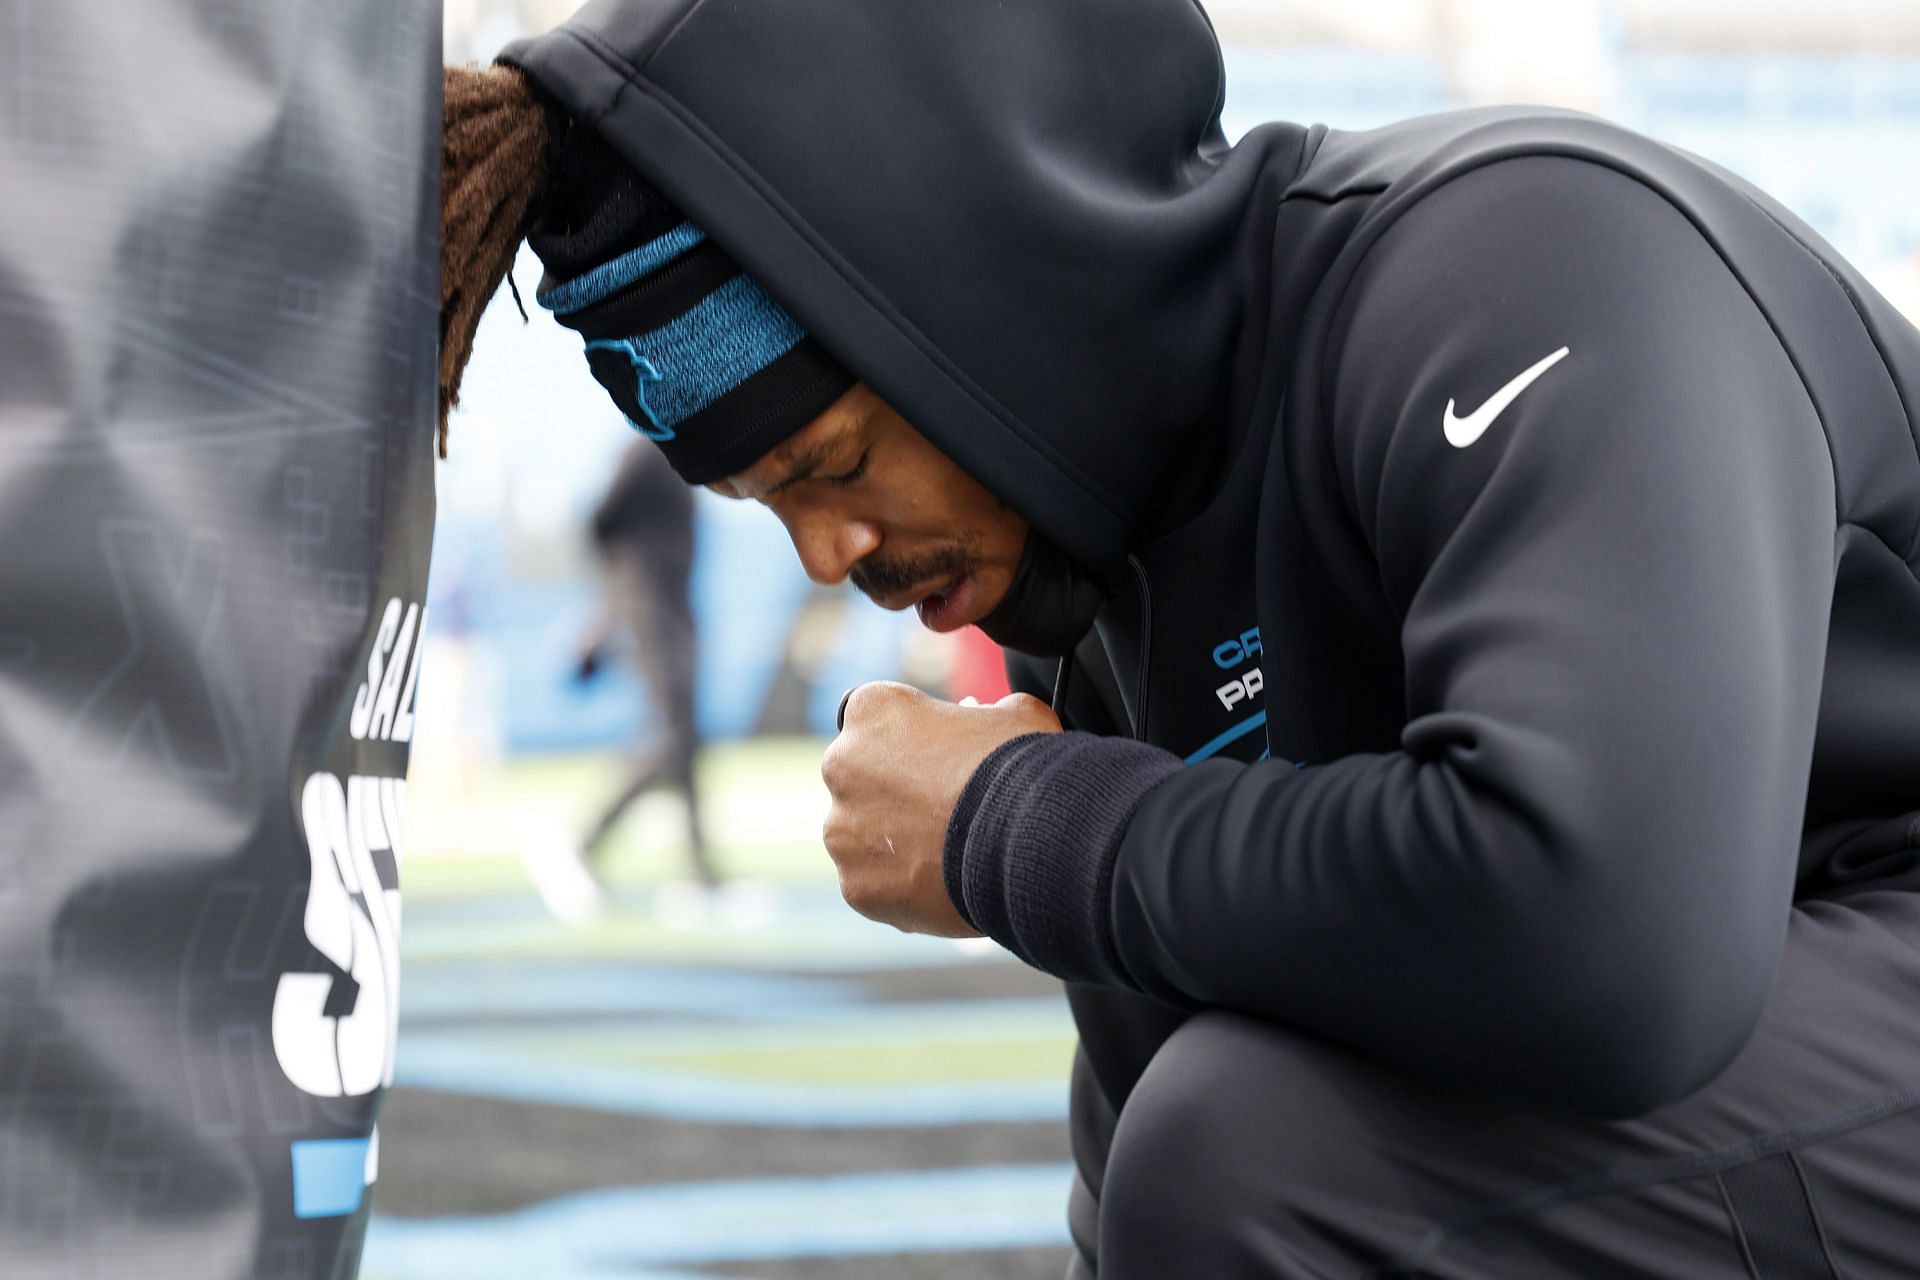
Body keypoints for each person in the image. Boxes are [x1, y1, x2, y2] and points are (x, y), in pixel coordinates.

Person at [437, 3, 1920, 1274]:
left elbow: (1613, 940)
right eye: (765, 507)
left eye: (830, 465)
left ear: (974, 312)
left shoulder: (1537, 256)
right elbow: (1142, 1177)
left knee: (1264, 1148)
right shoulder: (1099, 583)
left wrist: (1023, 825)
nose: (829, 552)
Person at [522, 440, 716, 923]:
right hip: (648, 607)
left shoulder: (679, 455)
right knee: (673, 737)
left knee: (686, 737)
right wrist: (610, 603)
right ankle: (578, 842)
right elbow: (600, 523)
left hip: (670, 603)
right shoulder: (647, 453)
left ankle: (700, 873)